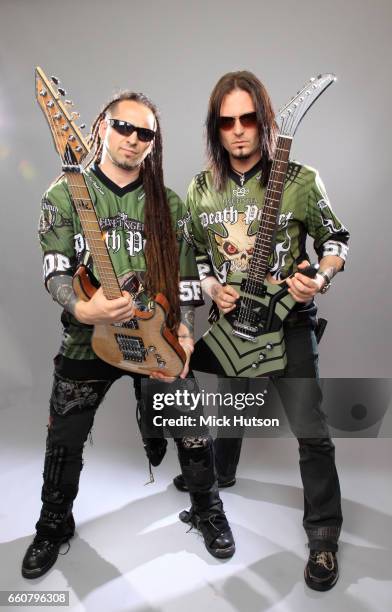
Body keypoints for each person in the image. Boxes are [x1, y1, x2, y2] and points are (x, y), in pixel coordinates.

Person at [22, 91, 235, 579]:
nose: (134, 139)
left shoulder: (168, 202)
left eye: (146, 133)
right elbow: (54, 268)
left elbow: (184, 277)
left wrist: (182, 330)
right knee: (64, 438)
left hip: (153, 331)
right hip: (87, 337)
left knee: (191, 425)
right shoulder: (63, 193)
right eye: (124, 127)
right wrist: (82, 305)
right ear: (99, 126)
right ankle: (53, 524)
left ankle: (207, 509)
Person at [174, 71, 349, 591]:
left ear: (265, 120)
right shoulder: (201, 189)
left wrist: (318, 277)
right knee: (231, 406)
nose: (239, 131)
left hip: (288, 322)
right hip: (231, 324)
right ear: (215, 128)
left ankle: (322, 534)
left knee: (311, 432)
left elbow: (337, 240)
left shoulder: (299, 180)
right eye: (227, 121)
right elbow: (195, 256)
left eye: (248, 118)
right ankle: (221, 474)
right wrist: (209, 287)